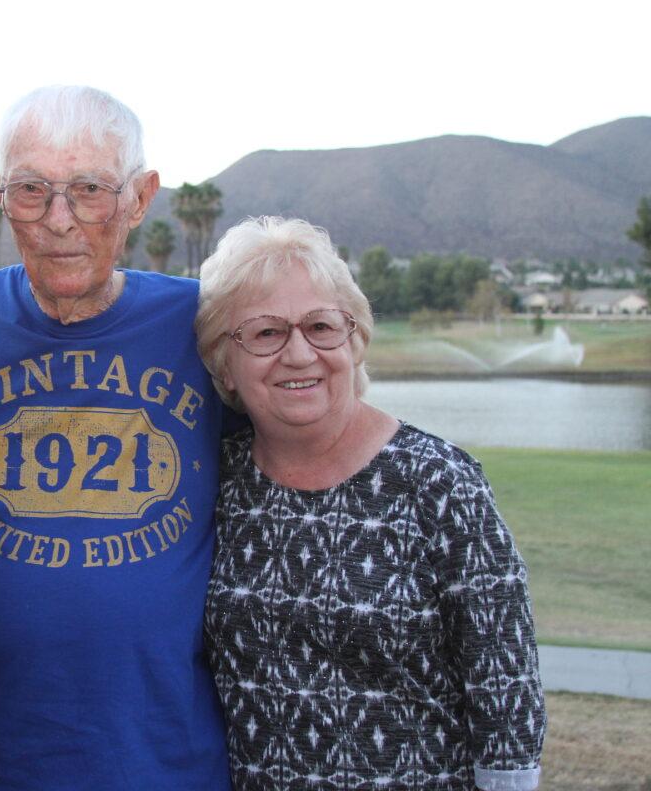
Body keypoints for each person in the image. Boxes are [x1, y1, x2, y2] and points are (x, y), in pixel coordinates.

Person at [0, 86, 232, 789]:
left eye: (89, 189)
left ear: (140, 198)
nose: (60, 220)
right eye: (31, 191)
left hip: (166, 766)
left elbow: (310, 438)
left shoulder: (202, 326)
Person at [195, 216, 546, 790]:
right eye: (264, 333)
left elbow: (505, 688)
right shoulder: (215, 480)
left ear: (354, 341)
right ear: (222, 365)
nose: (300, 354)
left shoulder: (438, 483)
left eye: (321, 326)